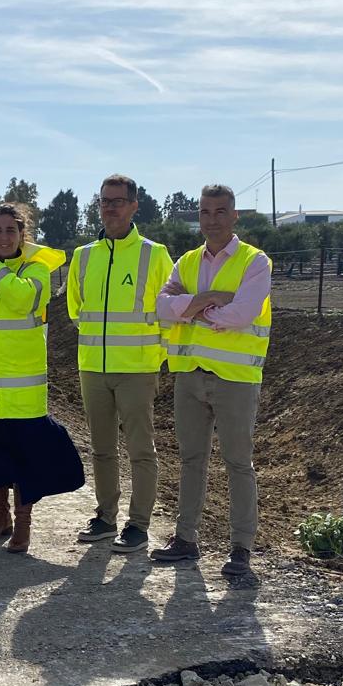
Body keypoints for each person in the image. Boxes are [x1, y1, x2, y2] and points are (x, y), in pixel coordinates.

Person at [150, 184, 274, 581]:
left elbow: (241, 314)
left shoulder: (255, 262)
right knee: (191, 461)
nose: (212, 219)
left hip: (235, 378)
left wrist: (192, 306)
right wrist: (209, 299)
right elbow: (160, 307)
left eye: (220, 211)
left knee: (238, 463)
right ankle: (186, 540)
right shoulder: (186, 262)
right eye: (205, 212)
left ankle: (241, 550)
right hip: (190, 376)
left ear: (234, 216)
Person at [0, 203, 83, 554]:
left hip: (22, 393)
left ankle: (23, 525)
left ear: (23, 235)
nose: (4, 237)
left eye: (11, 230)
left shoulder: (35, 271)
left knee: (25, 458)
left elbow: (22, 300)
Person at [65, 174, 174, 553]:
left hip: (138, 369)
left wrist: (155, 359)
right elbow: (76, 310)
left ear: (133, 206)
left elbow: (169, 312)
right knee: (101, 447)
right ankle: (105, 517)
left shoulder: (154, 254)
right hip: (93, 367)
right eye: (104, 201)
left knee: (141, 449)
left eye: (117, 201)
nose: (109, 207)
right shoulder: (83, 257)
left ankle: (139, 524)